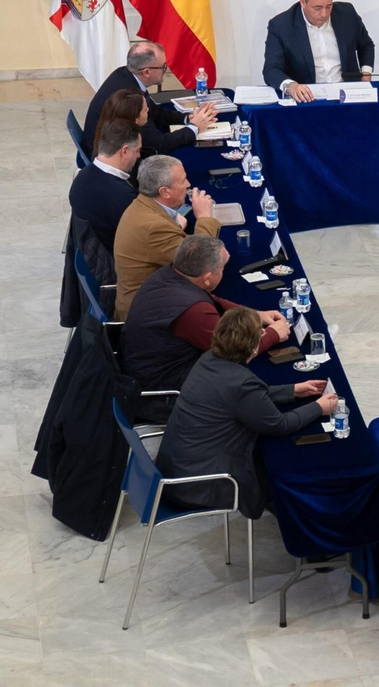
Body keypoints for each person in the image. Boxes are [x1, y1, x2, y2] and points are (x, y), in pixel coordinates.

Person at [155, 309, 336, 519]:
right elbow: (279, 425)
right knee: (281, 465)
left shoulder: (208, 358)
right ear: (252, 346)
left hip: (176, 470)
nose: (263, 334)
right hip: (202, 485)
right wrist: (318, 407)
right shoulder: (241, 384)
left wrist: (292, 390)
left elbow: (243, 398)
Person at [121, 236, 289, 413]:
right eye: (222, 268)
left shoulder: (168, 275)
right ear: (207, 278)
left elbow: (211, 300)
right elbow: (232, 353)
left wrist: (253, 315)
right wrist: (273, 334)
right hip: (164, 393)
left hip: (141, 369)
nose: (223, 272)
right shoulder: (192, 311)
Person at [112, 154, 220, 320]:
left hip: (152, 296)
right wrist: (204, 217)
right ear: (164, 192)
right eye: (183, 181)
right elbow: (199, 260)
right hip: (147, 315)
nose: (188, 184)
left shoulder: (143, 204)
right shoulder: (154, 227)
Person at [82, 41, 217, 157]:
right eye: (163, 67)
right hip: (107, 155)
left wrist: (187, 118)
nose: (165, 70)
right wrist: (194, 128)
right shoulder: (129, 97)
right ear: (147, 72)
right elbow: (158, 145)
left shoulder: (126, 74)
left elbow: (153, 110)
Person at [261, 0, 376, 101]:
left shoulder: (347, 14)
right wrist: (291, 86)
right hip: (308, 99)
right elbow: (271, 70)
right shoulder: (281, 26)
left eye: (329, 6)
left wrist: (366, 74)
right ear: (302, 2)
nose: (324, 14)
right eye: (317, 8)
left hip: (348, 96)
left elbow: (366, 45)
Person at [68, 119, 141, 251]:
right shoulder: (123, 196)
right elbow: (143, 238)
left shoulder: (81, 177)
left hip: (90, 256)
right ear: (125, 151)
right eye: (137, 150)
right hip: (114, 259)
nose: (139, 155)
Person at [90, 89, 149, 158]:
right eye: (145, 110)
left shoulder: (105, 136)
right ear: (135, 119)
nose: (148, 109)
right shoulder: (128, 154)